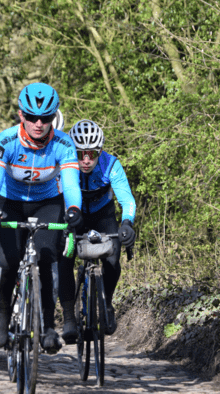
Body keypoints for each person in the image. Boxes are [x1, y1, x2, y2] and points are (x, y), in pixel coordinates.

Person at [0, 82, 82, 354]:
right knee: (7, 260)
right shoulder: (6, 140)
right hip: (10, 203)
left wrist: (73, 208)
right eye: (32, 117)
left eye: (46, 118)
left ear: (54, 118)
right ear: (20, 115)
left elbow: (72, 184)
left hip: (47, 204)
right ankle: (1, 312)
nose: (39, 123)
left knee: (48, 257)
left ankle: (48, 325)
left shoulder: (63, 143)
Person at [58, 119, 136, 344]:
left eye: (91, 153)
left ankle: (107, 303)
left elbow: (127, 199)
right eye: (80, 153)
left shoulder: (111, 164)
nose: (85, 160)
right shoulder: (65, 164)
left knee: (112, 259)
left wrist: (127, 223)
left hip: (103, 215)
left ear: (99, 152)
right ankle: (69, 316)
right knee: (65, 258)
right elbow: (54, 197)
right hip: (74, 216)